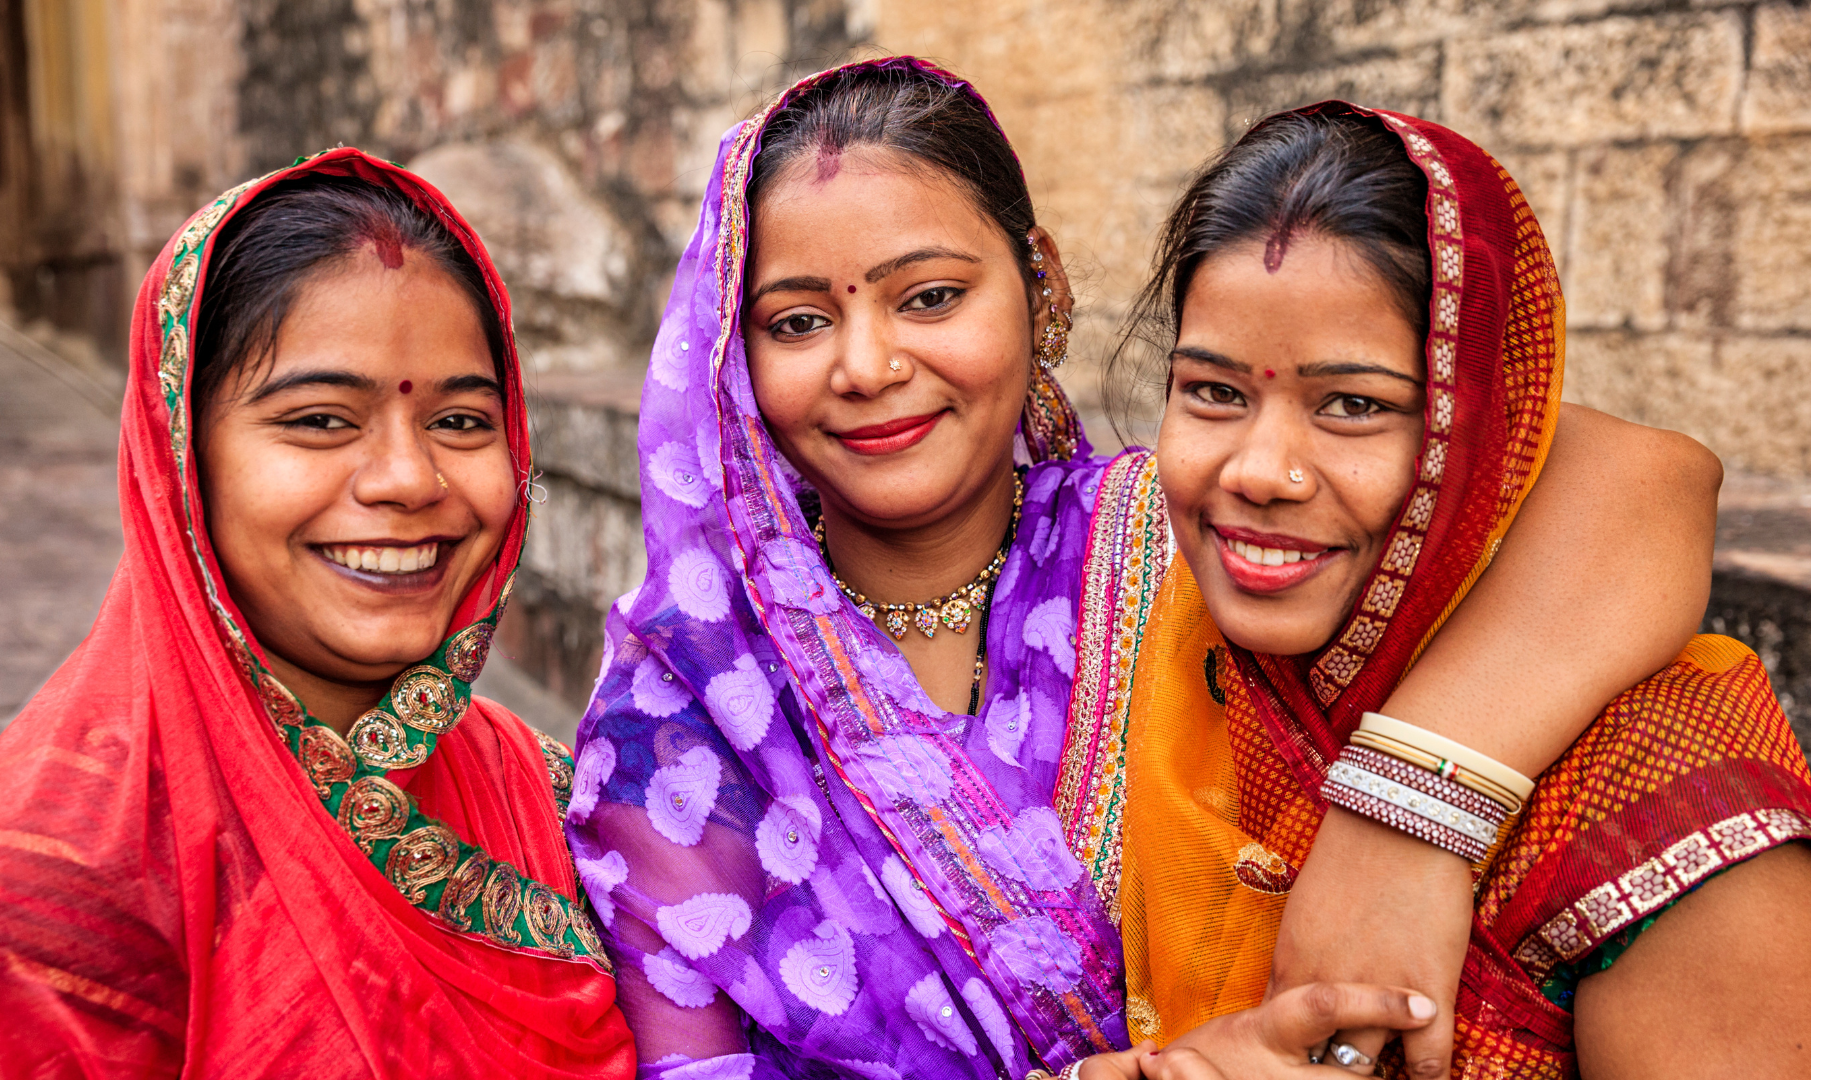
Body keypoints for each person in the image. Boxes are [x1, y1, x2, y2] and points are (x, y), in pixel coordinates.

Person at [564, 58, 1724, 1077]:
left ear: (1041, 285)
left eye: (931, 297)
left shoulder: (1196, 536)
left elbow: (1641, 484)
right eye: (797, 320)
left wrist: (1405, 822)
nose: (867, 365)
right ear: (727, 355)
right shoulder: (682, 710)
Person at [1095, 103, 1810, 1078]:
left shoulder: (1660, 791)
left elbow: (1660, 472)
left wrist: (1409, 808)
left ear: (1480, 437)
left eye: (1353, 405)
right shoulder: (1172, 635)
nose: (1260, 469)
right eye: (1214, 392)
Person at [0, 150, 636, 1077]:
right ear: (183, 462)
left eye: (460, 422)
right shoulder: (33, 913)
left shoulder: (543, 790)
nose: (410, 481)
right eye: (320, 420)